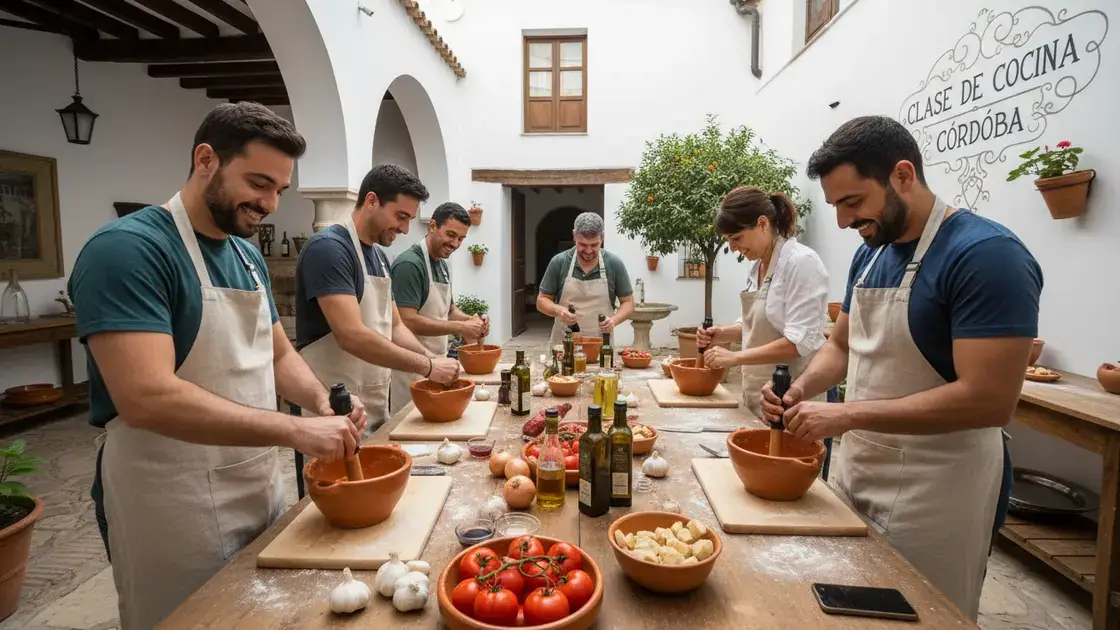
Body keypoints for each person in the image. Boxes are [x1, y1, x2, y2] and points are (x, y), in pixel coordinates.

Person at [67, 102, 368, 630]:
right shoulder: (128, 251)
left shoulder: (245, 255)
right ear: (206, 159)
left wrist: (322, 402)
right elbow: (147, 397)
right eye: (258, 183)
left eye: (279, 190)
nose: (270, 203)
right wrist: (297, 429)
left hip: (255, 481)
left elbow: (276, 354)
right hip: (168, 501)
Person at [761, 115, 1041, 621]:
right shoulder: (871, 255)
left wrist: (846, 415)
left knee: (923, 615)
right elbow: (841, 347)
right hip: (858, 469)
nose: (844, 222)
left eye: (853, 202)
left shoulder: (985, 256)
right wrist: (800, 390)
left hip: (939, 492)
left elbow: (989, 399)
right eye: (836, 207)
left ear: (904, 175)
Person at [294, 164, 460, 440]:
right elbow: (351, 335)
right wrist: (427, 367)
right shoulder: (329, 249)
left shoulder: (380, 258)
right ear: (371, 201)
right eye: (400, 216)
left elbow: (396, 326)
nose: (406, 229)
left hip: (372, 406)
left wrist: (431, 359)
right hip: (330, 414)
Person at [696, 186, 829, 419]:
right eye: (728, 240)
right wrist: (722, 333)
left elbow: (798, 342)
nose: (733, 247)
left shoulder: (801, 263)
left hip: (792, 401)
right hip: (757, 396)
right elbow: (757, 326)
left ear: (763, 224)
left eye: (736, 238)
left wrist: (735, 358)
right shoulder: (757, 266)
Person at [389, 201, 489, 414]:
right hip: (412, 368)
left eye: (461, 239)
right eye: (451, 235)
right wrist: (460, 329)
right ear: (432, 226)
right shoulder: (410, 264)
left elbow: (450, 310)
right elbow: (407, 320)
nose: (455, 244)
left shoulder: (441, 264)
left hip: (437, 362)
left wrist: (472, 321)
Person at [537, 212, 635, 345]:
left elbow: (628, 303)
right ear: (574, 236)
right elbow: (541, 301)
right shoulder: (559, 262)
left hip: (601, 345)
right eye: (582, 244)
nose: (588, 251)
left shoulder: (613, 263)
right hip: (564, 345)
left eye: (594, 245)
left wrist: (614, 320)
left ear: (602, 238)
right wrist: (559, 310)